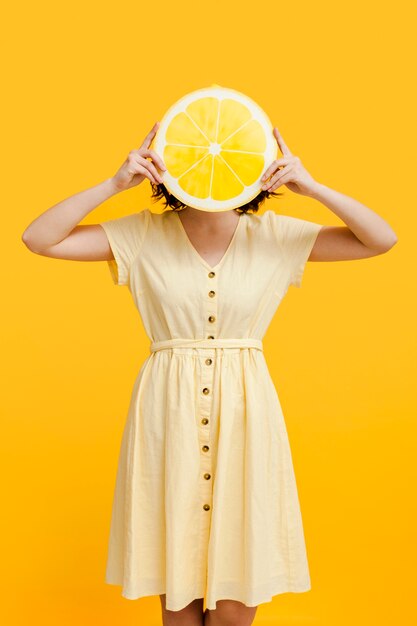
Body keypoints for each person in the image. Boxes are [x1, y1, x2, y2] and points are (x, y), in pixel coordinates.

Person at [21, 121, 398, 626]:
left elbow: (381, 239)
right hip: (167, 416)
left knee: (232, 616)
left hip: (246, 419)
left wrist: (311, 186)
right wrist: (114, 185)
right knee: (178, 612)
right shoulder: (140, 233)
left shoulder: (278, 237)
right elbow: (38, 238)